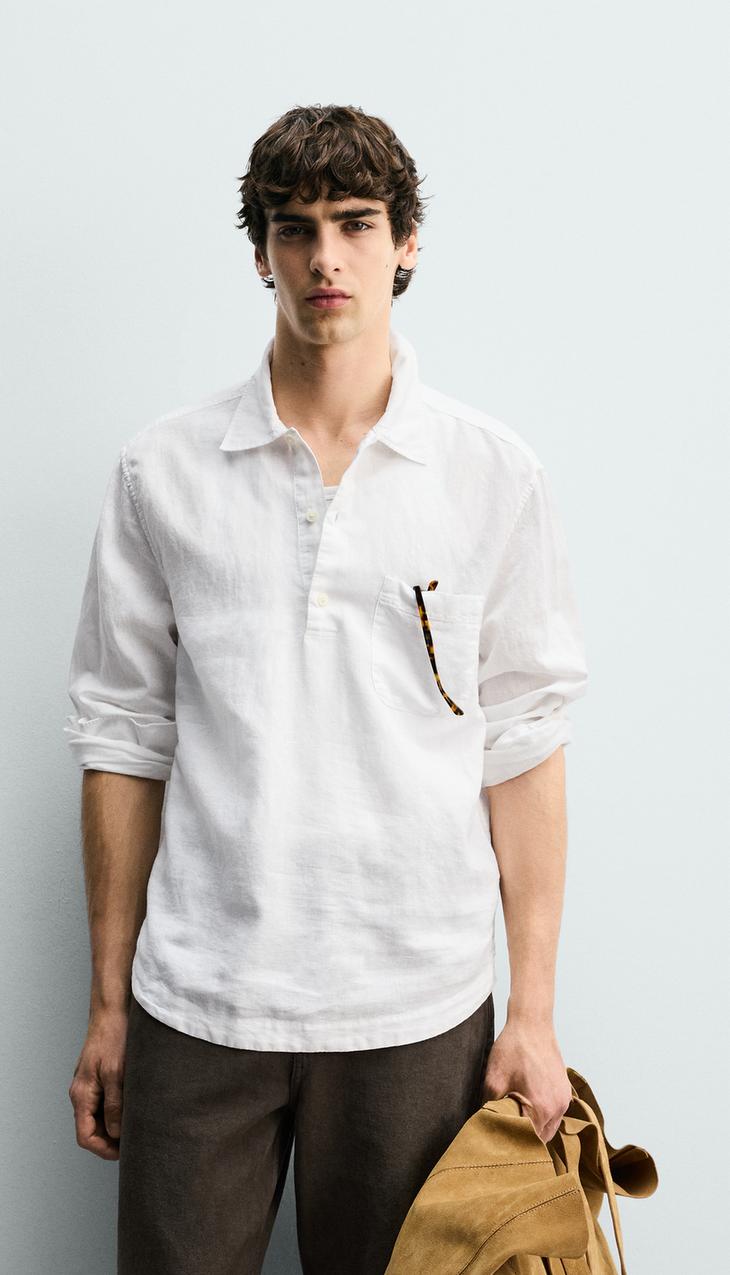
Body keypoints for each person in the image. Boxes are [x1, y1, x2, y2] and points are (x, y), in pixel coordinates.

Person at [64, 103, 589, 1275]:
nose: (324, 258)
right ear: (260, 252)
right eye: (293, 228)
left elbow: (523, 744)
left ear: (406, 242)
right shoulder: (161, 474)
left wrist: (534, 1014)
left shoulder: (490, 474)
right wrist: (107, 1007)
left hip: (416, 1003)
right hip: (199, 1000)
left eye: (354, 224)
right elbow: (122, 737)